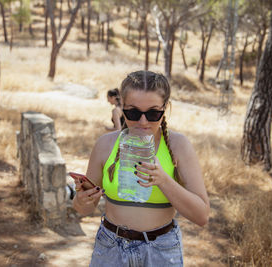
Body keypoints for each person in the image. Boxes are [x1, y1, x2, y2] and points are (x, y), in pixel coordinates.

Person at [73, 70, 209, 267]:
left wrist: (163, 180)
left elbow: (202, 216)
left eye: (153, 113)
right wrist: (81, 200)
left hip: (160, 251)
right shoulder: (105, 144)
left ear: (165, 109)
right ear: (122, 108)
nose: (143, 121)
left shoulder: (179, 146)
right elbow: (83, 209)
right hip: (110, 249)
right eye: (133, 112)